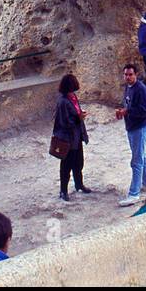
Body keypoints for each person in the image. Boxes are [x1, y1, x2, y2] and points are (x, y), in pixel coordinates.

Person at [115, 62, 146, 207]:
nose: (128, 77)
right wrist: (122, 111)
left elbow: (145, 111)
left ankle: (134, 194)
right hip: (131, 127)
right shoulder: (128, 88)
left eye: (130, 74)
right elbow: (128, 105)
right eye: (126, 74)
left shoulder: (141, 90)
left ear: (136, 74)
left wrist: (127, 112)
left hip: (139, 128)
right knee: (141, 155)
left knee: (136, 161)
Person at [53, 73, 91, 201]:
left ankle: (79, 184)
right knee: (66, 165)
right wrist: (78, 118)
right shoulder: (63, 102)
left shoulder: (72, 97)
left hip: (76, 137)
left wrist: (79, 116)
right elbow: (64, 122)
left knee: (78, 162)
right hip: (68, 139)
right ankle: (63, 191)